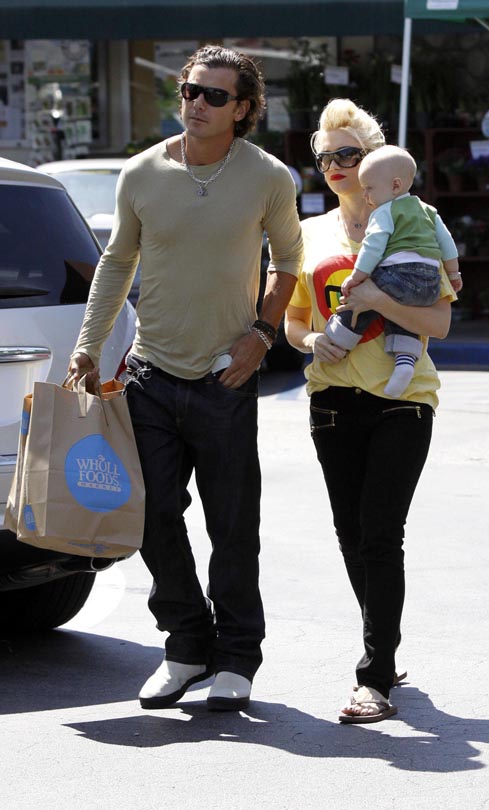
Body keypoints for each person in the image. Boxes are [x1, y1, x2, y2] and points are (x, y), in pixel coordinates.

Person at [68, 45, 303, 712]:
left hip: (225, 378)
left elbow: (288, 262)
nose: (197, 103)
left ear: (243, 109)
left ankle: (237, 657)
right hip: (150, 372)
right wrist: (88, 346)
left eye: (214, 96)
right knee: (151, 518)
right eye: (191, 90)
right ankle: (185, 644)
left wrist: (261, 336)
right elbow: (117, 263)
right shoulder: (142, 171)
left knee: (233, 526)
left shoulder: (267, 176)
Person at [285, 98, 456, 724]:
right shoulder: (309, 234)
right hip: (332, 400)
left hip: (403, 400)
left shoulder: (414, 220)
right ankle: (383, 641)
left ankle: (375, 675)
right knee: (351, 534)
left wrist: (380, 298)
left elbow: (439, 321)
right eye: (324, 156)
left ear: (376, 160)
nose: (334, 165)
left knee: (382, 534)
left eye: (347, 154)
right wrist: (313, 341)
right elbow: (293, 321)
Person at [324, 144, 461, 398]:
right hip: (430, 283)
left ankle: (340, 337)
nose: (365, 195)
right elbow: (447, 244)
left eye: (369, 188)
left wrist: (357, 277)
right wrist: (454, 275)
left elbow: (373, 247)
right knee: (402, 312)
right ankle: (405, 359)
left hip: (400, 275)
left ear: (395, 186)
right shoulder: (428, 211)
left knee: (365, 297)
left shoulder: (384, 211)